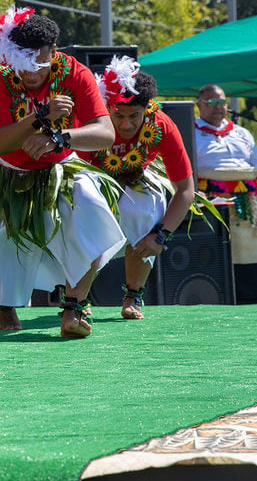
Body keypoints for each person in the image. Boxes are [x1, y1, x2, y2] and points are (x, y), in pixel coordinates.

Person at [0, 8, 123, 336]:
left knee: (93, 212)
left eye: (40, 62)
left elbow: (106, 133)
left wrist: (60, 137)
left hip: (59, 168)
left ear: (55, 50)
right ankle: (3, 306)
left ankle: (74, 307)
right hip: (7, 171)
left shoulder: (74, 72)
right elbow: (0, 143)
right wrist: (40, 117)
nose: (32, 73)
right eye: (24, 64)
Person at [78, 59, 195, 320]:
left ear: (147, 108)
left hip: (135, 179)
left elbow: (186, 189)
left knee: (148, 206)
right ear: (106, 106)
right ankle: (77, 299)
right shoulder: (88, 121)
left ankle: (133, 296)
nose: (126, 125)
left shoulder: (162, 125)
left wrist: (161, 236)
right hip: (91, 181)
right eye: (118, 115)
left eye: (134, 116)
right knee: (85, 218)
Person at [193, 85, 257, 304]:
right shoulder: (190, 132)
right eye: (211, 102)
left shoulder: (242, 133)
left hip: (246, 203)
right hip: (208, 202)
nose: (218, 107)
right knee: (213, 257)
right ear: (198, 105)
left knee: (251, 254)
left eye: (221, 102)